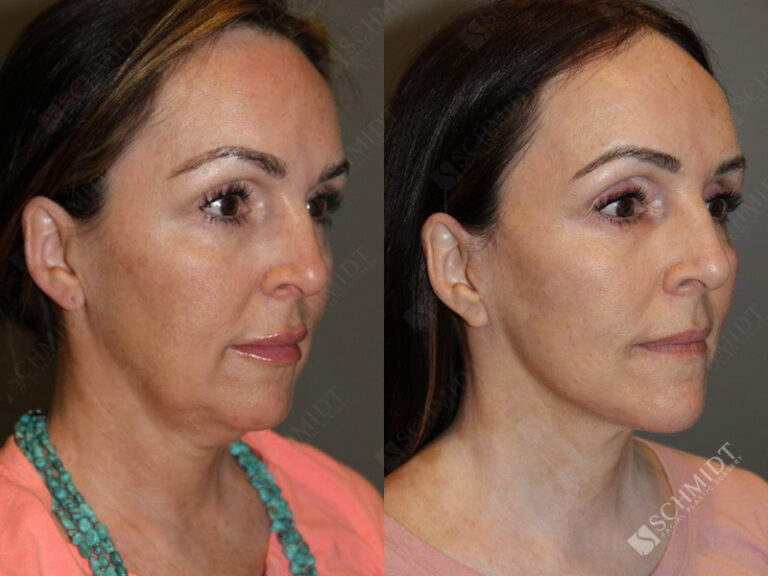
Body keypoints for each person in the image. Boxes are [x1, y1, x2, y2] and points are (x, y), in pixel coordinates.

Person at [384, 1, 768, 574]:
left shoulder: (753, 523)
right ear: (460, 266)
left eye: (718, 204)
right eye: (624, 204)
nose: (713, 263)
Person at [0, 1, 382, 575]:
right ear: (58, 253)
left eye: (318, 205)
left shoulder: (355, 519)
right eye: (228, 202)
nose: (311, 269)